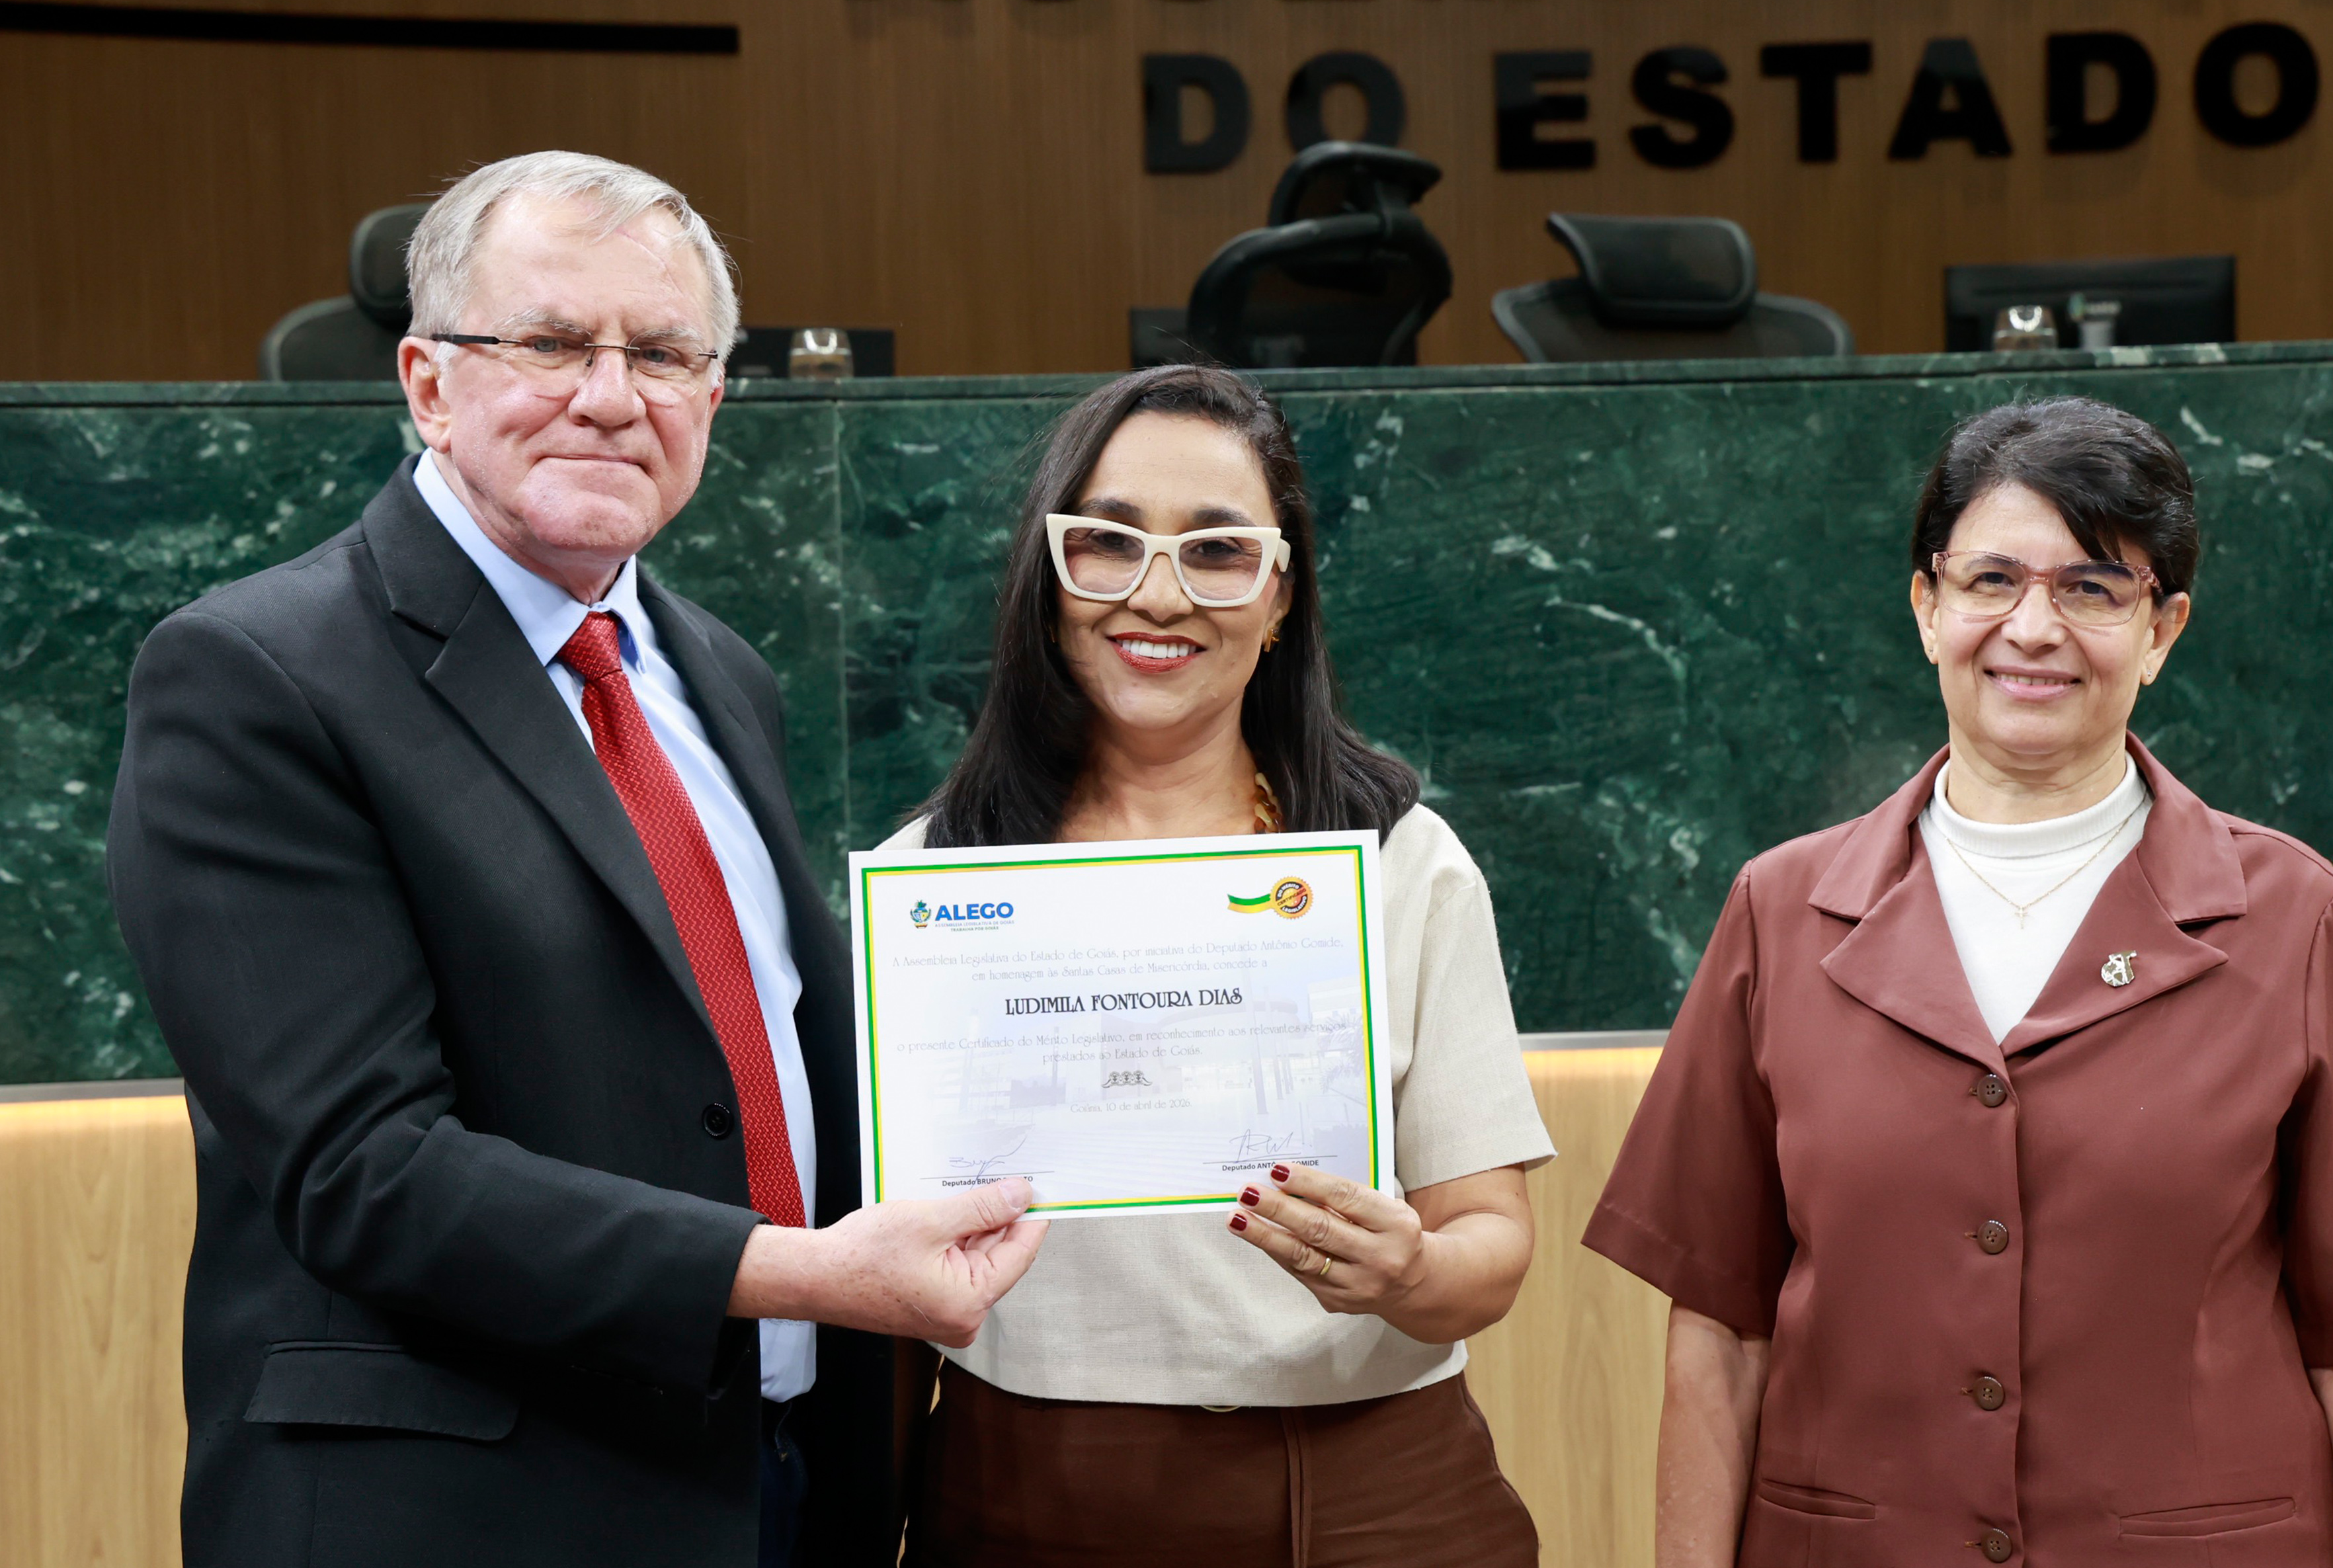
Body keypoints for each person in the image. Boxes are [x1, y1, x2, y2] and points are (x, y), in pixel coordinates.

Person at [106, 150, 1044, 1568]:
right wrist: (798, 1274)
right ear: (428, 383)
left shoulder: (719, 670)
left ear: (713, 399)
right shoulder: (254, 675)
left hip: (778, 1487)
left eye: (663, 354)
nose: (612, 396)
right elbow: (362, 1168)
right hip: (465, 1514)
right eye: (550, 343)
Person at [1586, 397, 2333, 1568]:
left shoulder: (2300, 922)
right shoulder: (1779, 914)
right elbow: (1720, 1339)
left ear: (2163, 630)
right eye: (1990, 580)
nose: (2032, 629)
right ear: (1927, 607)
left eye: (2093, 588)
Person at [876, 364, 1554, 1566]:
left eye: (1219, 552)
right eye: (1109, 543)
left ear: (1281, 594)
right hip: (1027, 1489)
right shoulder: (932, 881)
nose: (1158, 594)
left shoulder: (1402, 862)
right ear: (1048, 580)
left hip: (1372, 1494)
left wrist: (1407, 1272)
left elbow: (1488, 1247)